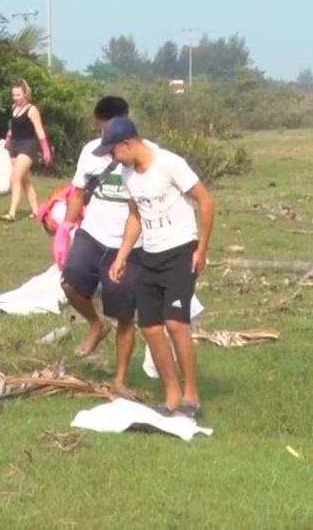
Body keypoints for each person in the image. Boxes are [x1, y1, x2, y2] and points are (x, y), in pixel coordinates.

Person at [103, 117, 215, 418]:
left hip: (180, 251)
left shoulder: (169, 163)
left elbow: (205, 201)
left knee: (176, 324)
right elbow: (135, 217)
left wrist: (201, 248)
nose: (112, 159)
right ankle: (172, 394)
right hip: (150, 254)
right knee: (150, 328)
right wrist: (121, 256)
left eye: (113, 151)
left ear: (128, 144)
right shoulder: (128, 175)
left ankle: (191, 394)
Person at [57, 97, 143, 395]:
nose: (102, 134)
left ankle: (120, 379)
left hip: (128, 244)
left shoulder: (143, 157)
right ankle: (95, 324)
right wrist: (65, 230)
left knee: (123, 314)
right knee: (69, 284)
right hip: (91, 234)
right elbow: (78, 193)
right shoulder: (89, 153)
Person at [2, 80, 52, 221]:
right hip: (14, 146)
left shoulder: (32, 110)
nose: (16, 98)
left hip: (28, 146)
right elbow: (12, 128)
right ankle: (37, 211)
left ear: (25, 94)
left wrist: (45, 149)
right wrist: (7, 141)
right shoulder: (13, 108)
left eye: (18, 95)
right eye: (13, 95)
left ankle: (11, 213)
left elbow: (39, 130)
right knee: (25, 181)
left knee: (15, 178)